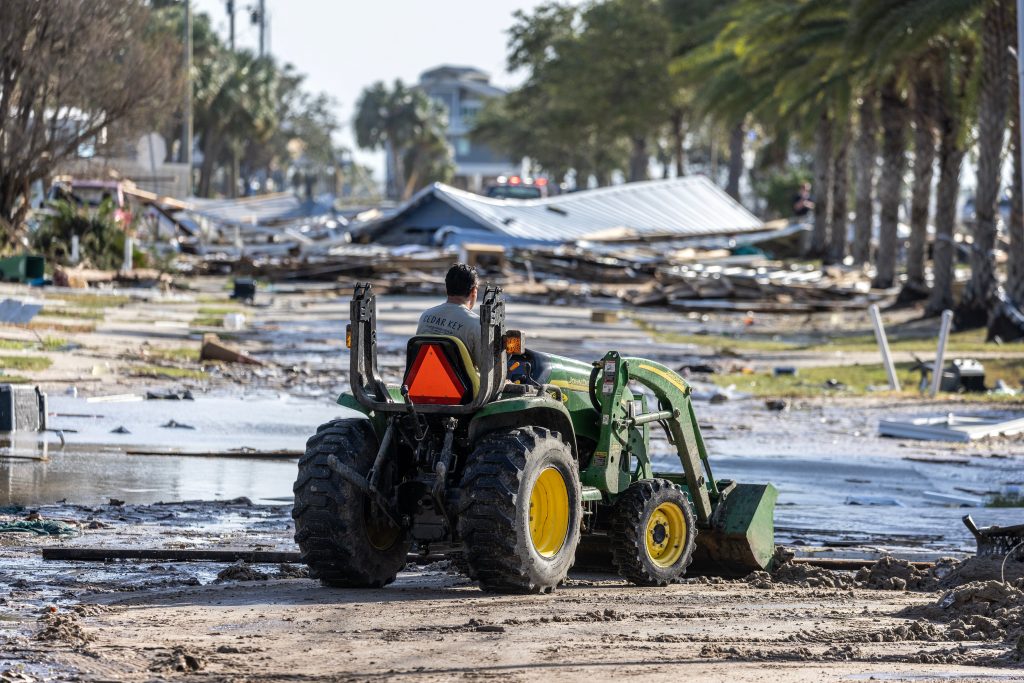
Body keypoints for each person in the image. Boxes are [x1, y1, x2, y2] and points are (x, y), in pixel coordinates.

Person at [417, 263, 480, 360]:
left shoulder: (425, 316)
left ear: (447, 288)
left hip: (425, 375)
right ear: (474, 291)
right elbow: (487, 369)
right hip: (460, 376)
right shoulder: (476, 324)